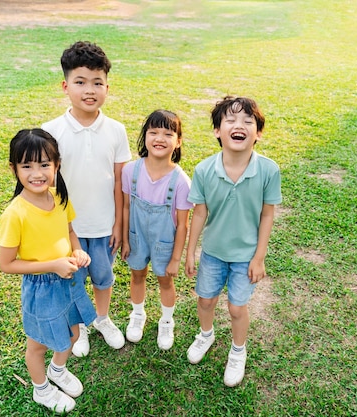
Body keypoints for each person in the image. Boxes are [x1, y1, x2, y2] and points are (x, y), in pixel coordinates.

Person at [184, 96, 282, 387]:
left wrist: (259, 257)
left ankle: (238, 351)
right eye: (230, 120)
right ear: (217, 131)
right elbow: (199, 213)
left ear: (258, 133)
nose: (239, 126)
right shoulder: (203, 170)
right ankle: (206, 334)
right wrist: (191, 252)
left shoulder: (268, 170)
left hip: (246, 256)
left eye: (248, 122)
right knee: (205, 300)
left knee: (237, 308)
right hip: (213, 253)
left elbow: (267, 215)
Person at [42, 41, 131, 355]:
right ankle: (77, 329)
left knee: (103, 278)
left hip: (105, 225)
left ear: (108, 87)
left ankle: (103, 319)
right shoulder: (49, 132)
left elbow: (121, 182)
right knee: (72, 281)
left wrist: (121, 224)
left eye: (97, 83)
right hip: (68, 230)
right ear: (66, 86)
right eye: (80, 82)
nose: (89, 90)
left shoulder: (117, 130)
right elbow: (44, 187)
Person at [0, 129, 97, 413]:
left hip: (69, 280)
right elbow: (7, 264)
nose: (36, 173)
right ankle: (41, 390)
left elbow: (69, 231)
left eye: (44, 164)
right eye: (26, 166)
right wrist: (52, 265)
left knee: (72, 335)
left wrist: (76, 250)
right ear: (14, 168)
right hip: (41, 287)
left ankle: (57, 369)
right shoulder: (15, 214)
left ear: (56, 165)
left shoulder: (59, 198)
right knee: (39, 345)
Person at [120, 110, 193, 350]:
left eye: (168, 133)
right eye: (153, 132)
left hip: (165, 242)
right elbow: (126, 207)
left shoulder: (181, 181)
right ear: (145, 137)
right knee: (137, 274)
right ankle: (138, 314)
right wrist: (125, 239)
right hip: (136, 236)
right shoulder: (131, 171)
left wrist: (175, 259)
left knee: (165, 281)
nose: (159, 138)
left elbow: (182, 225)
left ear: (178, 141)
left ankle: (166, 320)